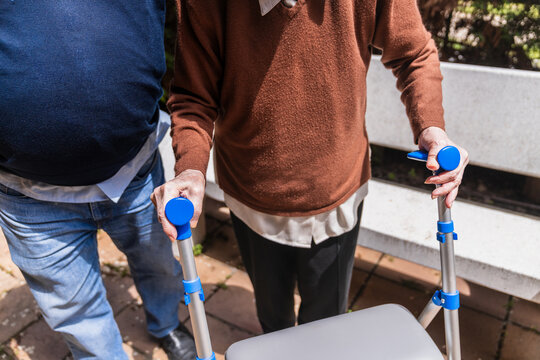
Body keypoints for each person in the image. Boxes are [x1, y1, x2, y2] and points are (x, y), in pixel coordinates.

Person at [152, 0, 469, 334]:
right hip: (251, 192)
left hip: (336, 190)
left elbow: (413, 53)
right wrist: (190, 168)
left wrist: (431, 128)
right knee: (273, 320)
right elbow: (194, 97)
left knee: (326, 325)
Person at [0, 1, 196, 359]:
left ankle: (166, 322)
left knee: (159, 265)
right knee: (76, 312)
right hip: (28, 195)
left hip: (135, 172)